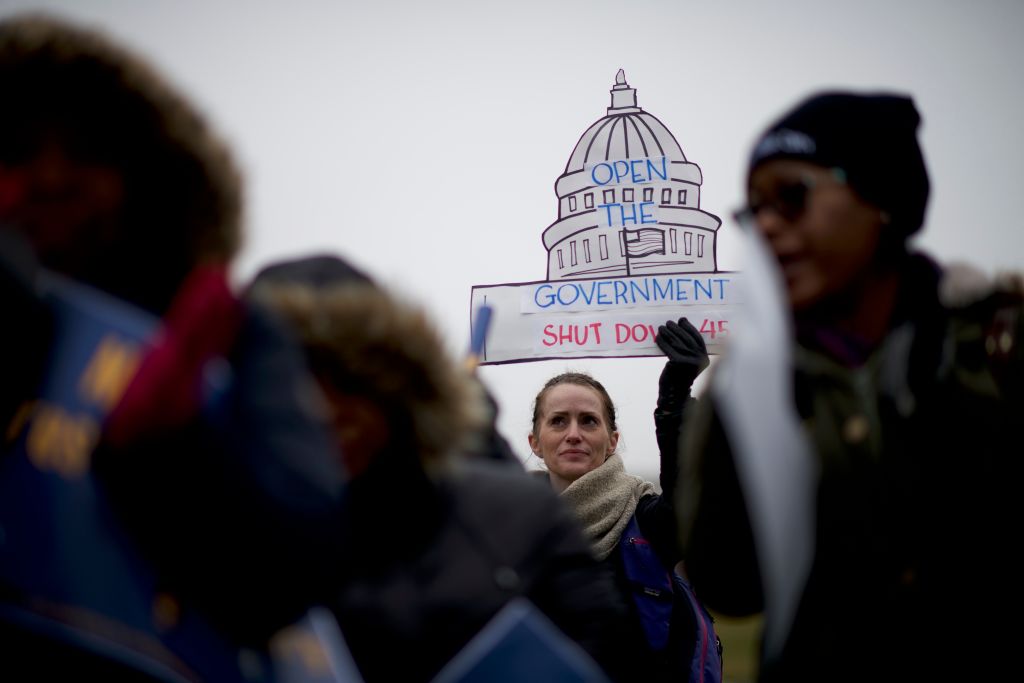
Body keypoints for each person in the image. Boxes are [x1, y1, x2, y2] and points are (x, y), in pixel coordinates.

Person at [0, 12, 346, 679]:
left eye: (83, 150)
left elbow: (289, 569)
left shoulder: (222, 332)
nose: (49, 178)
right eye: (16, 150)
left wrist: (164, 446)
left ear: (145, 177)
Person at [675, 90, 1024, 682]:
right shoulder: (756, 385)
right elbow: (728, 584)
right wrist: (730, 404)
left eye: (792, 196)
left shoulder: (993, 350)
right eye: (752, 210)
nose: (766, 224)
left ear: (881, 198)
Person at [249, 253, 635, 683]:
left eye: (343, 379)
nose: (318, 407)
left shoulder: (524, 519)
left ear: (394, 384)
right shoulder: (216, 543)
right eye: (283, 382)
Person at [527, 316, 711, 683]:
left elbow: (687, 500)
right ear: (535, 442)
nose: (574, 434)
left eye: (589, 421)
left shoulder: (646, 520)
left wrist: (675, 397)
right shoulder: (509, 528)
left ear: (612, 440)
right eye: (559, 421)